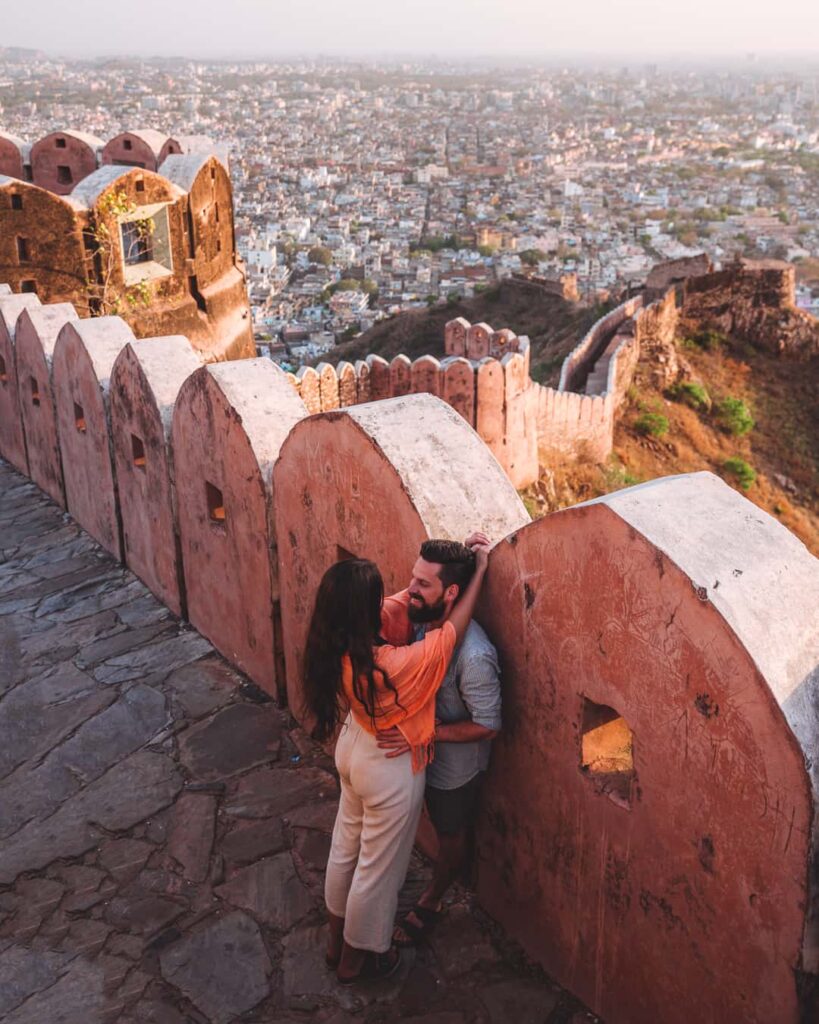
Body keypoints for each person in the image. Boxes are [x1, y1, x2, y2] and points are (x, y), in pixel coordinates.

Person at [302, 544, 489, 984]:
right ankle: (355, 962)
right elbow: (450, 633)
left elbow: (406, 598)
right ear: (365, 609)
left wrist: (445, 569)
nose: (400, 592)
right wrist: (479, 571)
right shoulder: (394, 664)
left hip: (354, 745)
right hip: (387, 765)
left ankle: (334, 946)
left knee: (345, 849)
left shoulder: (340, 640)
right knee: (377, 872)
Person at [376, 534, 501, 946]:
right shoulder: (419, 619)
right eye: (414, 578)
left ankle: (433, 897)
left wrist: (426, 734)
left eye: (422, 583)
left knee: (451, 833)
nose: (410, 588)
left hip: (453, 769)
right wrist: (466, 561)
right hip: (417, 758)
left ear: (450, 593)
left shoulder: (475, 657)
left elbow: (489, 725)